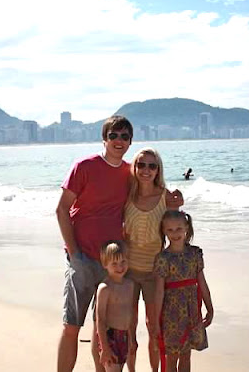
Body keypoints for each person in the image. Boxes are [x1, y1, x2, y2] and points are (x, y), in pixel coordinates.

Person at [56, 115, 134, 372]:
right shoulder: (84, 166)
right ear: (104, 139)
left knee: (102, 329)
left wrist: (173, 200)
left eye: (124, 136)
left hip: (112, 263)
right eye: (113, 135)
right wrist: (74, 253)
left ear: (130, 141)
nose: (119, 141)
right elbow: (62, 209)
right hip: (83, 258)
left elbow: (150, 192)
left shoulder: (129, 172)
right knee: (72, 326)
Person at [123, 148, 183, 372]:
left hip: (155, 274)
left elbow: (176, 232)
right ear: (134, 168)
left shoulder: (166, 197)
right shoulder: (126, 195)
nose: (146, 170)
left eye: (152, 165)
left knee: (154, 328)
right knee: (128, 329)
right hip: (127, 272)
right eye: (141, 165)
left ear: (158, 170)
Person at [154, 210, 213, 372]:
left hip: (192, 311)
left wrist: (209, 307)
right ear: (164, 231)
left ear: (186, 227)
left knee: (186, 354)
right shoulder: (163, 258)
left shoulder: (194, 254)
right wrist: (155, 320)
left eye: (179, 229)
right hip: (171, 314)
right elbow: (159, 292)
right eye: (170, 230)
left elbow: (202, 283)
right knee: (172, 355)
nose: (175, 234)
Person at [96, 241, 134, 372]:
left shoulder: (129, 285)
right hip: (109, 337)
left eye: (123, 262)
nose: (120, 267)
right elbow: (100, 320)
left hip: (124, 337)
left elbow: (129, 314)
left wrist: (131, 339)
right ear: (105, 264)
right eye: (114, 264)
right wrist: (104, 347)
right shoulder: (105, 288)